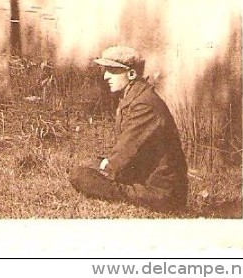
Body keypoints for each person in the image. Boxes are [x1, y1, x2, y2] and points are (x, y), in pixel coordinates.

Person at [69, 46, 189, 212]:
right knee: (88, 167)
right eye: (105, 70)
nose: (105, 76)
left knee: (80, 175)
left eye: (112, 70)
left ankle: (121, 191)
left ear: (131, 74)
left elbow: (126, 149)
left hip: (161, 192)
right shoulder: (134, 97)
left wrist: (104, 169)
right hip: (146, 179)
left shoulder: (144, 104)